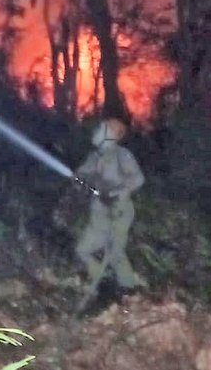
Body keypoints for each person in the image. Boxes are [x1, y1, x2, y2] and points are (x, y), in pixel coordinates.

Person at [73, 117, 145, 308]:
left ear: (111, 135)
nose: (97, 131)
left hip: (119, 210)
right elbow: (81, 175)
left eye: (102, 129)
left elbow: (138, 179)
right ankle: (103, 281)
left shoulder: (122, 155)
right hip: (99, 213)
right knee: (83, 250)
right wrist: (81, 180)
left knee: (115, 253)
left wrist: (116, 194)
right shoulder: (94, 157)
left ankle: (129, 290)